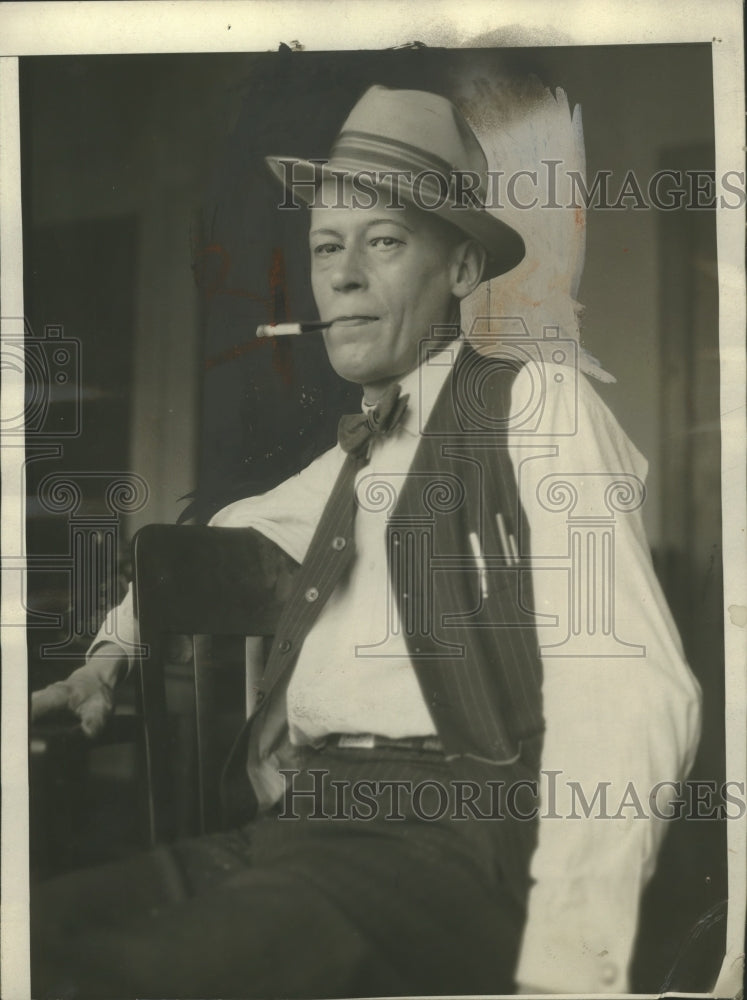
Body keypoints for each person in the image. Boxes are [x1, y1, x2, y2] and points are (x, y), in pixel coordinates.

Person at [31, 84, 701, 997]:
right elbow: (226, 536)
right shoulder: (355, 460)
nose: (340, 275)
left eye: (382, 242)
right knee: (33, 939)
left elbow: (628, 685)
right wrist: (108, 656)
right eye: (324, 247)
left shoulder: (537, 405)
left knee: (120, 978)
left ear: (462, 269)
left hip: (455, 843)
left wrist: (567, 963)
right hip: (300, 827)